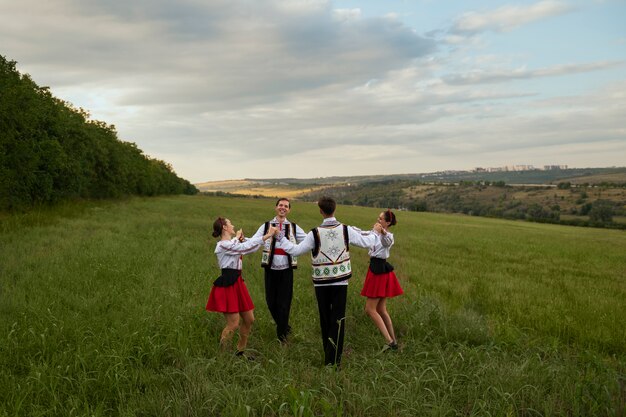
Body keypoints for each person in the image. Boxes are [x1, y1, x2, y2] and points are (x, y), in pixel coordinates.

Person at [277, 197, 376, 367]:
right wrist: (376, 232)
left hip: (321, 283)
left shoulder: (314, 233)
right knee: (338, 320)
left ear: (321, 211)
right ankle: (335, 361)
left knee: (325, 319)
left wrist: (281, 238)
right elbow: (366, 242)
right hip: (341, 281)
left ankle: (327, 357)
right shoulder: (345, 230)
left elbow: (296, 250)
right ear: (334, 210)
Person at [206, 217, 277, 358]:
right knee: (233, 324)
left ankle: (240, 352)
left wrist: (245, 238)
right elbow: (243, 247)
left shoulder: (232, 242)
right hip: (228, 284)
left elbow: (249, 247)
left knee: (249, 319)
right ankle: (222, 357)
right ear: (224, 228)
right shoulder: (222, 245)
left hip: (238, 282)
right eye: (229, 223)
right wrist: (267, 235)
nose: (233, 225)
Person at [251, 198, 307, 343]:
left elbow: (307, 241)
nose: (283, 208)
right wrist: (242, 240)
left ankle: (282, 337)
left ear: (289, 210)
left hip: (286, 269)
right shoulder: (266, 226)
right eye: (280, 205)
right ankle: (284, 326)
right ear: (276, 207)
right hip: (270, 268)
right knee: (270, 301)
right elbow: (255, 240)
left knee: (284, 302)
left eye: (286, 206)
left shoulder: (293, 227)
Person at [360, 210, 403, 352]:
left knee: (370, 309)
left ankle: (390, 342)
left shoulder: (389, 236)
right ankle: (394, 341)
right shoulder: (374, 233)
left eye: (381, 219)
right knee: (381, 309)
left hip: (379, 272)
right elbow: (362, 235)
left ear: (388, 222)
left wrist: (382, 232)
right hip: (376, 270)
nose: (378, 221)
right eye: (378, 218)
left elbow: (387, 242)